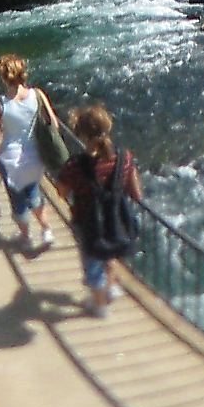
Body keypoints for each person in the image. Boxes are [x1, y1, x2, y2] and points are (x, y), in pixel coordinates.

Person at [63, 103, 144, 318]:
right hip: (116, 221)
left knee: (92, 266)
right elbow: (137, 194)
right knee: (109, 254)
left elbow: (62, 190)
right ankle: (112, 286)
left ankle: (100, 305)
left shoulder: (75, 165)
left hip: (87, 222)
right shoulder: (125, 158)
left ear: (81, 134)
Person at [0, 54, 66, 252]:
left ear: (4, 77)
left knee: (18, 201)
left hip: (11, 160)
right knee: (33, 192)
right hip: (34, 158)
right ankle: (46, 230)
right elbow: (53, 124)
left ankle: (25, 236)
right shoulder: (37, 95)